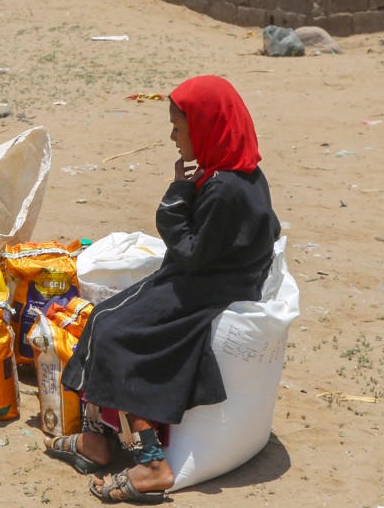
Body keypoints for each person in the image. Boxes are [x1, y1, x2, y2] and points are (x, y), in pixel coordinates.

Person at [50, 75, 280, 504]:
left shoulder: (226, 188)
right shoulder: (232, 173)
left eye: (179, 128)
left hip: (209, 287)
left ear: (206, 128)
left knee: (120, 336)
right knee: (101, 317)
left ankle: (152, 462)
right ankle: (97, 441)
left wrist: (176, 196)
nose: (173, 137)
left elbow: (192, 254)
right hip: (205, 277)